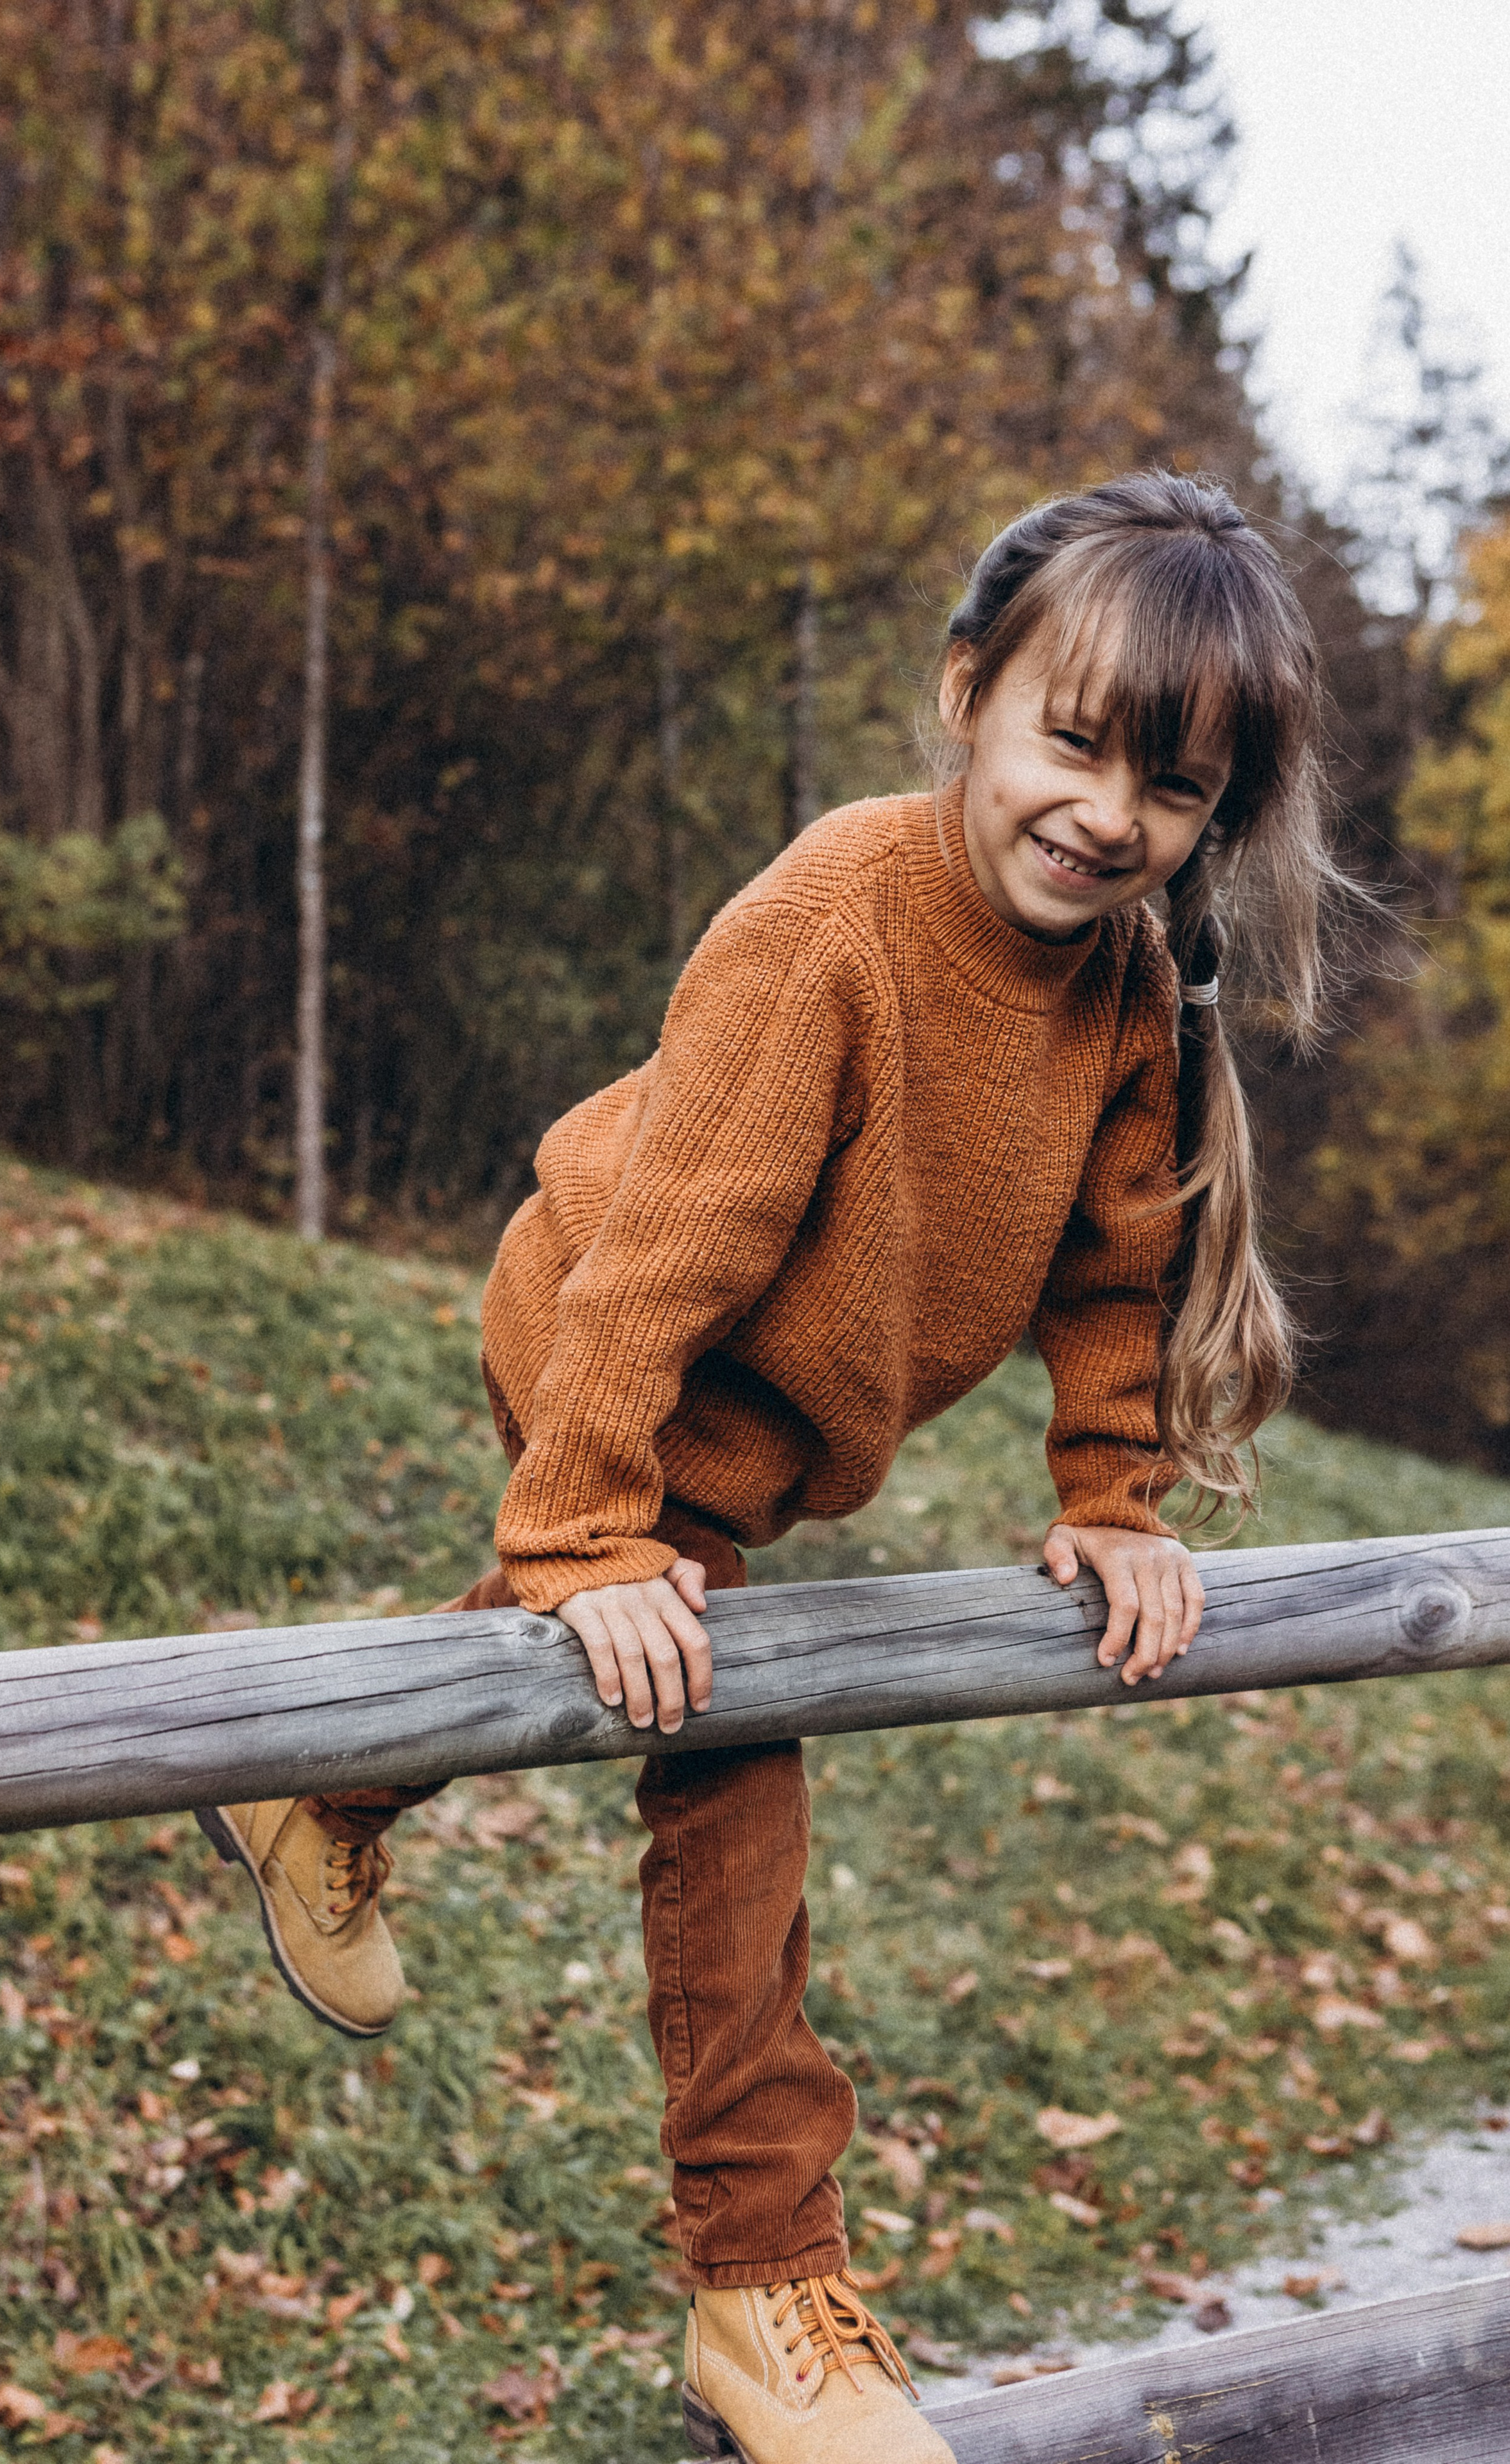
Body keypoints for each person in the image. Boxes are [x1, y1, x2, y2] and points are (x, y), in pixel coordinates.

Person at [200, 471, 1364, 2463]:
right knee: (719, 1742)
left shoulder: (1127, 1000)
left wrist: (1113, 1503)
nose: (1105, 815)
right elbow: (668, 1247)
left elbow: (1119, 1269)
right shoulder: (836, 912)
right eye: (1070, 742)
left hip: (754, 1428)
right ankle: (759, 2286)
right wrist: (581, 1527)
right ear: (967, 696)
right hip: (601, 1332)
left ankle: (307, 1800)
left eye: (1169, 787)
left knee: (656, 1649)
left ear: (1215, 814)